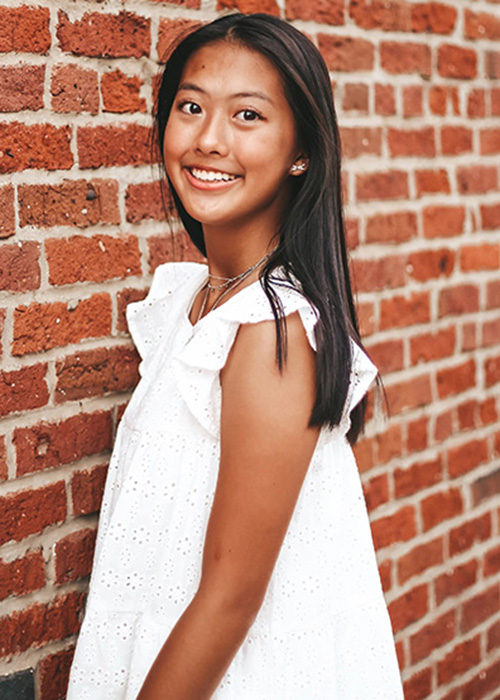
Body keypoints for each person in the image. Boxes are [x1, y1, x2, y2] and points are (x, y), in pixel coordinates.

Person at [67, 13, 404, 700]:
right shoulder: (191, 299)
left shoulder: (270, 330)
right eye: (190, 107)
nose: (209, 140)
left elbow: (230, 599)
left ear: (301, 151)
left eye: (247, 115)